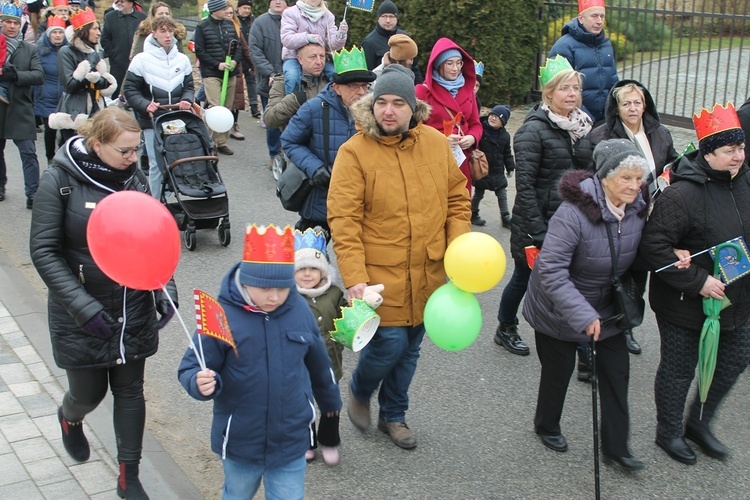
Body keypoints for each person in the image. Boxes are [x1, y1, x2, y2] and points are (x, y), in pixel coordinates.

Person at [29, 107, 178, 499]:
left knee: (130, 391)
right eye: (125, 151)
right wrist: (81, 305)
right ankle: (69, 418)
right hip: (82, 310)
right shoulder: (59, 179)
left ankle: (129, 475)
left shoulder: (134, 177)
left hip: (132, 305)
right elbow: (44, 251)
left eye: (135, 151)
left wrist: (166, 287)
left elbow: (153, 237)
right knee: (88, 395)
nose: (133, 159)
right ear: (97, 145)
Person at [327, 65, 472, 449]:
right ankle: (360, 389)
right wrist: (354, 277)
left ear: (414, 108)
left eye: (398, 103)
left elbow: (458, 200)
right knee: (389, 344)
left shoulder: (437, 144)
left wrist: (458, 253)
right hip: (379, 276)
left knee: (410, 348)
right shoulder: (353, 152)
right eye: (382, 103)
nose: (388, 111)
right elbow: (344, 220)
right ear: (372, 106)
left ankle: (394, 415)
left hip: (429, 269)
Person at [178, 224, 341, 500]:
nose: (275, 297)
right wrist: (198, 382)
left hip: (290, 439)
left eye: (283, 288)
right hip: (242, 441)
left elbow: (319, 363)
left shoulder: (299, 309)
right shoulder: (222, 316)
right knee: (238, 494)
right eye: (264, 288)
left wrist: (330, 403)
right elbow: (191, 366)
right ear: (246, 281)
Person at [523, 139, 649, 471]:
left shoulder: (638, 206)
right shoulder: (572, 214)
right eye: (626, 178)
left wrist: (673, 256)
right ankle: (546, 424)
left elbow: (645, 250)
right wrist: (581, 314)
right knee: (558, 372)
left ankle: (617, 448)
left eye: (639, 178)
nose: (635, 186)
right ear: (605, 177)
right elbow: (550, 269)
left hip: (608, 306)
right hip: (558, 306)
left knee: (617, 374)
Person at [639, 102, 750, 466]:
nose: (739, 156)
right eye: (730, 150)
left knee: (734, 360)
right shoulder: (680, 194)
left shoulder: (746, 180)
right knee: (679, 368)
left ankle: (699, 424)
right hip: (685, 302)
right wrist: (699, 280)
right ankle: (668, 431)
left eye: (741, 148)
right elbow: (653, 247)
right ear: (707, 153)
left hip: (738, 298)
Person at [494, 56, 594, 357]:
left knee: (573, 281)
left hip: (573, 222)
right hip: (537, 225)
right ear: (549, 93)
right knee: (524, 278)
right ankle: (505, 326)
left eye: (576, 88)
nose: (572, 94)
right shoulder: (532, 132)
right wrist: (540, 232)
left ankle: (579, 343)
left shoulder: (583, 127)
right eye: (565, 88)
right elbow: (524, 187)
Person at [591, 79, 678, 355]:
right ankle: (605, 324)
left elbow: (673, 162)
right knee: (616, 272)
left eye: (637, 102)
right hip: (621, 216)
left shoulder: (660, 133)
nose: (632, 108)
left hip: (654, 215)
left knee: (638, 274)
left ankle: (626, 325)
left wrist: (670, 172)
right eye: (625, 103)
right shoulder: (602, 136)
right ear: (616, 108)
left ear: (645, 105)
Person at [280, 46, 376, 236]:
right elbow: (289, 141)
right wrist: (314, 168)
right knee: (312, 257)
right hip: (322, 199)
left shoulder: (376, 112)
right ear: (336, 88)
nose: (361, 91)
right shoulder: (314, 108)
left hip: (361, 201)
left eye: (365, 86)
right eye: (353, 86)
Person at [122, 16, 194, 200]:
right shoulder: (141, 60)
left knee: (175, 160)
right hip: (152, 120)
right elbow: (130, 89)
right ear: (154, 33)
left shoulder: (182, 59)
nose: (167, 35)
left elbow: (189, 86)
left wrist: (186, 99)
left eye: (170, 31)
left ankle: (169, 198)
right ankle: (154, 203)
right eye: (162, 31)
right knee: (156, 163)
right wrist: (146, 104)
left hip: (176, 117)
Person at [294, 226, 347, 466]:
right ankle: (306, 442)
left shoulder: (334, 294)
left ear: (323, 270)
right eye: (301, 269)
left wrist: (363, 307)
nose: (307, 274)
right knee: (302, 406)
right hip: (299, 364)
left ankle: (329, 440)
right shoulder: (289, 297)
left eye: (313, 269)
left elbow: (346, 319)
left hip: (329, 362)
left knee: (330, 405)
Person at [415, 37, 483, 196]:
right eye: (449, 63)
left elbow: (476, 124)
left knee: (460, 206)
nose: (455, 68)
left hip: (461, 160)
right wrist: (440, 140)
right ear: (439, 65)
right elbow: (413, 130)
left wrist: (472, 138)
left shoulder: (468, 91)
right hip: (432, 161)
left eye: (458, 63)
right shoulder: (422, 92)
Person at [48, 8, 116, 145]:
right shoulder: (66, 51)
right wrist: (90, 65)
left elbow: (103, 83)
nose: (99, 33)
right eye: (95, 29)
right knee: (76, 151)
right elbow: (70, 85)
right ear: (84, 31)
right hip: (75, 112)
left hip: (96, 109)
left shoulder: (94, 52)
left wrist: (97, 80)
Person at [0, 1, 44, 207]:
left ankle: (33, 193)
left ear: (20, 25)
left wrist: (16, 74)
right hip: (0, 105)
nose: (11, 26)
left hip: (20, 106)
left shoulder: (29, 49)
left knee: (28, 152)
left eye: (15, 23)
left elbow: (38, 75)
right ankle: (0, 186)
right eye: (7, 22)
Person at [548, 0, 618, 125]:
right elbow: (557, 89)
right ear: (581, 18)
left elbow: (613, 80)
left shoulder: (606, 44)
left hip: (604, 121)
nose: (599, 21)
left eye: (602, 16)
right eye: (594, 16)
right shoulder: (563, 46)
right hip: (576, 121)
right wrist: (587, 119)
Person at [193, 0, 242, 156]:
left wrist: (235, 61)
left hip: (230, 73)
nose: (227, 10)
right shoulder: (202, 27)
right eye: (223, 8)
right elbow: (199, 50)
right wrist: (216, 64)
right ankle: (211, 143)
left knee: (227, 108)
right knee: (215, 108)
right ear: (215, 10)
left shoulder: (229, 25)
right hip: (212, 73)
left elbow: (238, 46)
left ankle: (222, 142)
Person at [280, 0, 346, 95]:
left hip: (319, 57)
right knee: (292, 77)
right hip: (293, 57)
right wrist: (307, 37)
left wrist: (341, 35)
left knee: (335, 75)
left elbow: (332, 46)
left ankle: (337, 102)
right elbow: (286, 39)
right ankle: (293, 106)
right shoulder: (290, 13)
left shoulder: (328, 15)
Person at [249, 0, 284, 167]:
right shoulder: (260, 23)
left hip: (292, 80)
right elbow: (255, 51)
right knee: (273, 121)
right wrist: (270, 73)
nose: (278, 1)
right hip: (268, 82)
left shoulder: (294, 20)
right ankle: (274, 154)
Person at [264, 41, 327, 131]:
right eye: (312, 57)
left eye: (322, 56)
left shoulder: (330, 81)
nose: (319, 62)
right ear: (299, 59)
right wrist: (294, 100)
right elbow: (270, 119)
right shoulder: (284, 82)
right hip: (298, 141)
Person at [471, 105, 514, 228]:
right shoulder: (481, 131)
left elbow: (507, 153)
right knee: (479, 193)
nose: (493, 118)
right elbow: (474, 145)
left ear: (503, 122)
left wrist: (510, 167)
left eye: (497, 117)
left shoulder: (505, 136)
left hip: (497, 171)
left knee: (502, 194)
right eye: (492, 115)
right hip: (482, 169)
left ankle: (505, 217)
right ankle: (473, 213)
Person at [33, 15, 67, 164]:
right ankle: (50, 158)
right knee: (50, 131)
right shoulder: (40, 52)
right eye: (54, 32)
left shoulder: (69, 50)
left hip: (66, 97)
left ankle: (63, 159)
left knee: (66, 132)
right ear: (48, 35)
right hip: (47, 96)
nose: (58, 35)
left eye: (60, 32)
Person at [361, 0, 421, 82]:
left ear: (397, 18)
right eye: (384, 16)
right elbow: (368, 74)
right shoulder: (369, 42)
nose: (388, 20)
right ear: (378, 18)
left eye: (391, 16)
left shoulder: (405, 38)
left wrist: (418, 89)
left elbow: (415, 68)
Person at [100, 0, 146, 98]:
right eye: (117, 1)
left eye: (122, 1)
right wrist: (113, 54)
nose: (119, 3)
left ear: (131, 3)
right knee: (116, 92)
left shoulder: (143, 18)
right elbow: (105, 39)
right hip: (118, 62)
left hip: (138, 61)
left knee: (137, 90)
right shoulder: (110, 17)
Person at [225, 2, 251, 141]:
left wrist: (253, 64)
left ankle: (234, 126)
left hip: (235, 68)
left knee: (236, 99)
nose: (228, 16)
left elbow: (244, 48)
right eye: (226, 13)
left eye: (231, 13)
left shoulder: (237, 29)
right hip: (217, 69)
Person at [236, 0, 260, 118]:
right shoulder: (234, 20)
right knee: (238, 83)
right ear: (239, 8)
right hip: (238, 56)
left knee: (252, 81)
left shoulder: (253, 21)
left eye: (248, 8)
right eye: (244, 8)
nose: (246, 11)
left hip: (250, 55)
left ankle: (254, 107)